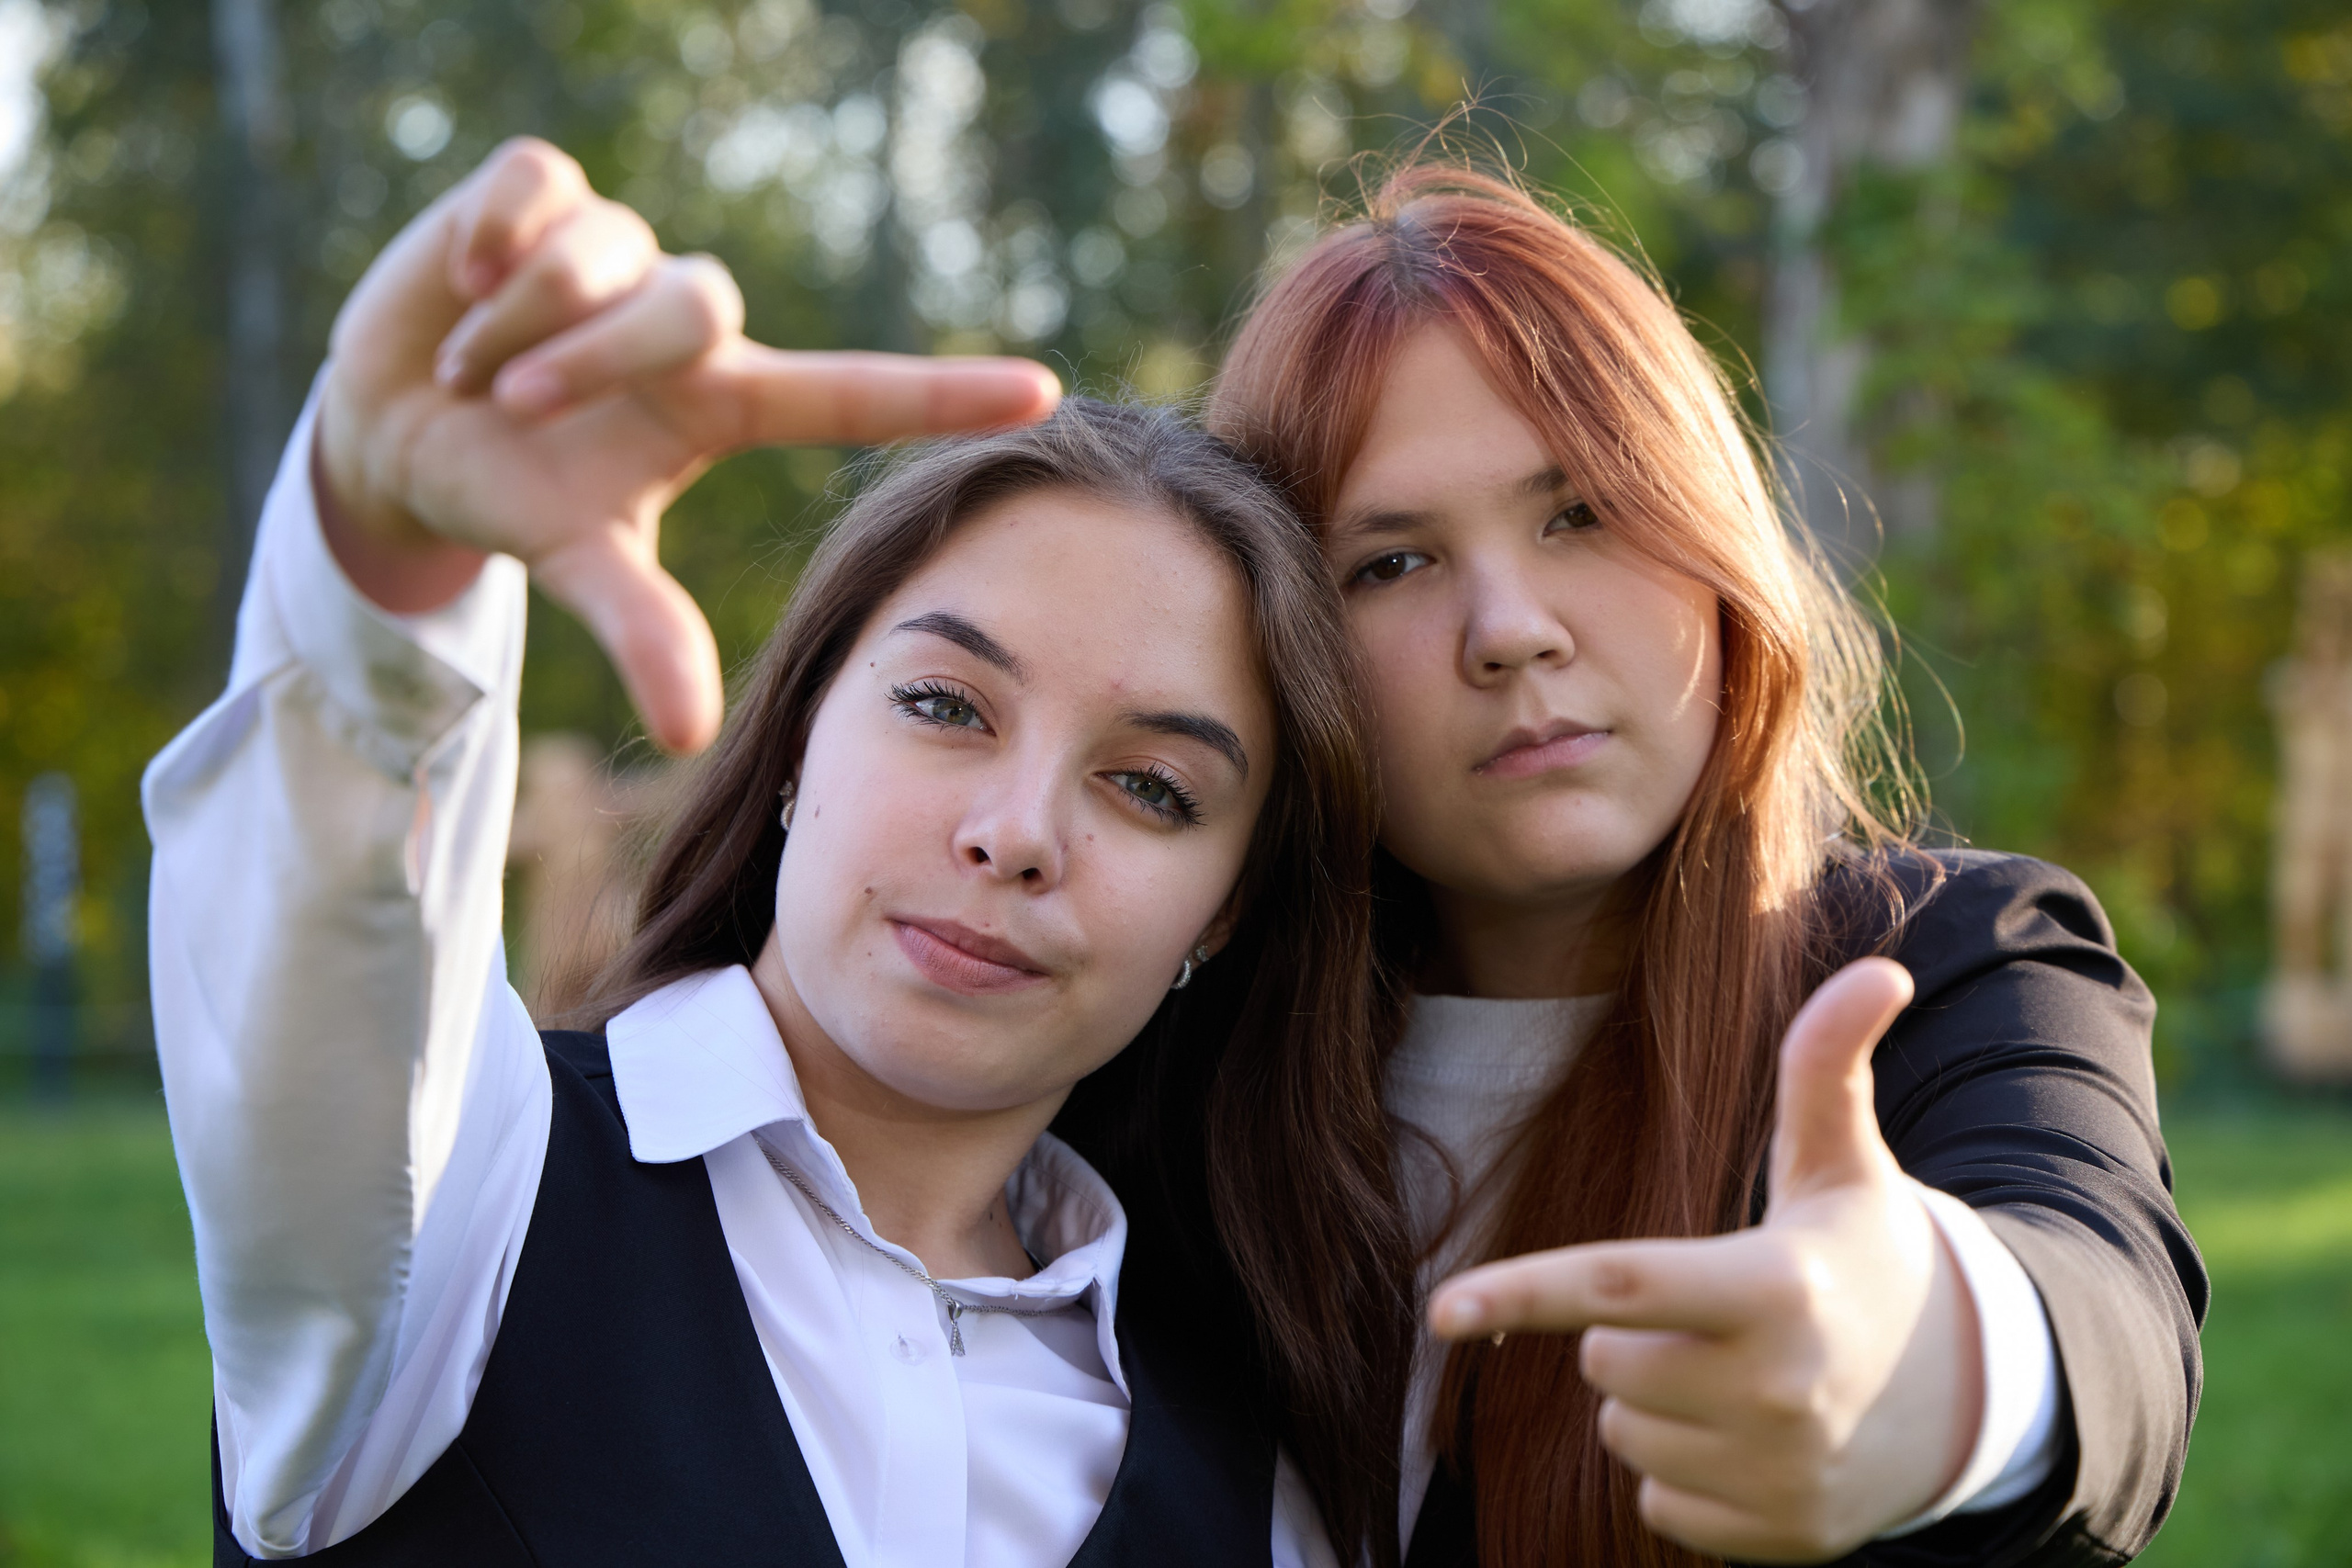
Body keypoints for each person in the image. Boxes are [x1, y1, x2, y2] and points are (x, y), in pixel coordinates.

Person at [146, 140, 1411, 1563]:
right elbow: (329, 926)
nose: (1014, 833)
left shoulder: (1269, 1486)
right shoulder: (467, 1194)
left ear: (1226, 914)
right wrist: (389, 560)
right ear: (802, 736)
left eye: (1154, 789)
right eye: (945, 705)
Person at [1198, 161, 2204, 1566]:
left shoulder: (1950, 965)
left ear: (1711, 540)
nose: (1511, 629)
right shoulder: (1180, 1049)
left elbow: (2100, 1301)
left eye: (1580, 513)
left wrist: (1931, 1362)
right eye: (1390, 565)